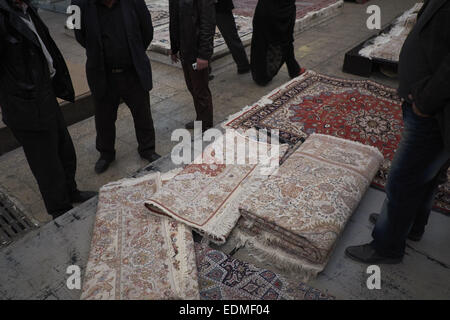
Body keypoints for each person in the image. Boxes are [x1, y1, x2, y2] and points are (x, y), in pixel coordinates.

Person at [346, 0, 450, 264]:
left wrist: (425, 102)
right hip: (430, 102)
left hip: (434, 109)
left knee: (404, 179)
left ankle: (386, 246)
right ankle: (409, 225)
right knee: (427, 176)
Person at [0, 0, 97, 219]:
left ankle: (71, 191)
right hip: (25, 104)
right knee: (46, 163)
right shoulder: (3, 17)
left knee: (64, 149)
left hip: (45, 93)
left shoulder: (27, 8)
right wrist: (14, 95)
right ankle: (60, 211)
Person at [72, 0, 160, 174]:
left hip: (132, 72)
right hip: (103, 73)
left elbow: (146, 30)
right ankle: (106, 154)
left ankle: (147, 148)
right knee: (104, 118)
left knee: (142, 113)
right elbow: (80, 36)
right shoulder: (80, 5)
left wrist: (134, 52)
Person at [169, 0, 215, 132]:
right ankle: (201, 119)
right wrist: (174, 47)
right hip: (185, 49)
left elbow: (208, 24)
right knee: (192, 87)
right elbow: (174, 20)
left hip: (197, 50)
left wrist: (204, 55)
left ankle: (206, 126)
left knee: (201, 90)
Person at [250, 0, 304, 86]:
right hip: (274, 10)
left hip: (270, 9)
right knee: (282, 39)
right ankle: (292, 69)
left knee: (282, 38)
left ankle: (293, 68)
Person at [215, 0, 250, 74]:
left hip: (220, 7)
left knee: (231, 36)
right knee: (202, 39)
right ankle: (203, 72)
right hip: (203, 7)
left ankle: (243, 65)